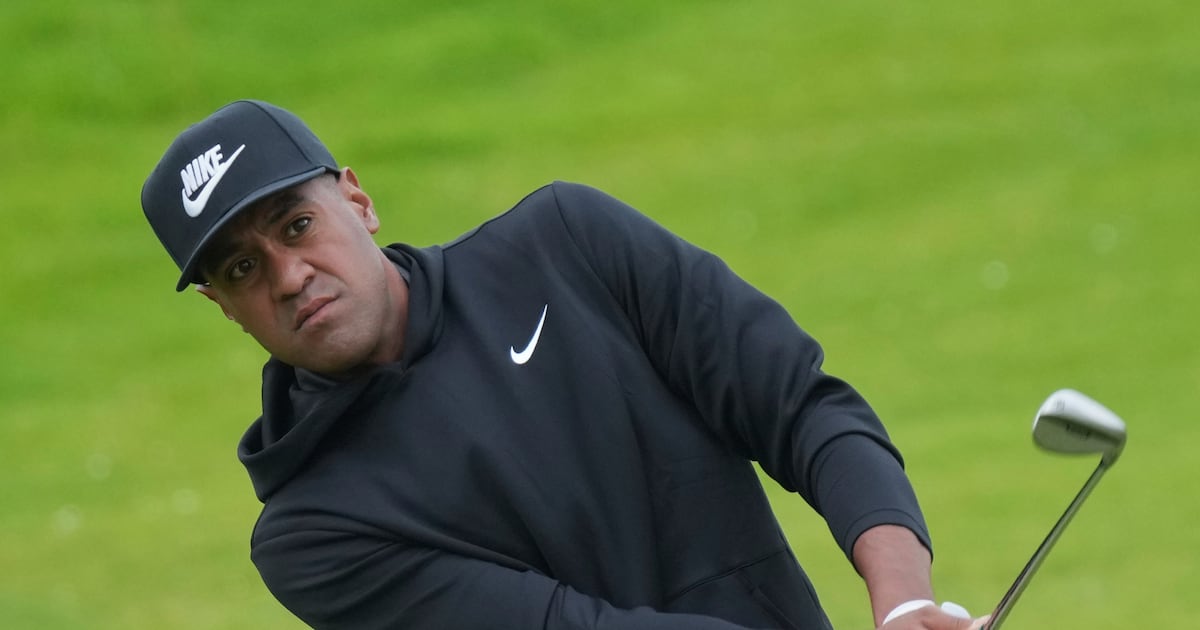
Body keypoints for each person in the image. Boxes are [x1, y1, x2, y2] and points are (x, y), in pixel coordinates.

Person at [141, 100, 985, 630]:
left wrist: (904, 600)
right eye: (242, 269)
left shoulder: (568, 245)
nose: (290, 277)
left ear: (356, 200)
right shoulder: (312, 532)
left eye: (296, 226)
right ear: (223, 306)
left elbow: (801, 407)